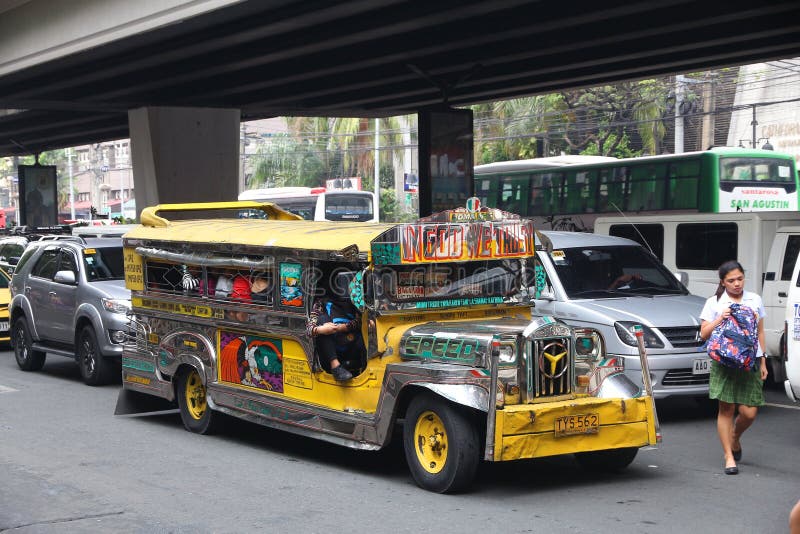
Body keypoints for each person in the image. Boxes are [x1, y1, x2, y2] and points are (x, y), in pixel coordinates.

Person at [699, 260, 768, 475]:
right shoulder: (714, 302)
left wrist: (763, 359)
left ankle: (735, 437)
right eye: (731, 280)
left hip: (750, 362)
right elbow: (704, 333)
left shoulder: (754, 299)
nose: (737, 284)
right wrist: (721, 317)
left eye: (740, 279)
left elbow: (760, 332)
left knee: (749, 412)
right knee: (726, 409)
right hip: (724, 361)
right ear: (723, 282)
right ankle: (729, 456)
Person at [306, 272, 361, 381]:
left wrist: (343, 327)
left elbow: (361, 322)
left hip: (351, 346)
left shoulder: (355, 301)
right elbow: (309, 329)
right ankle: (335, 367)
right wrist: (322, 329)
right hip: (330, 352)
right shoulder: (321, 303)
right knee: (322, 320)